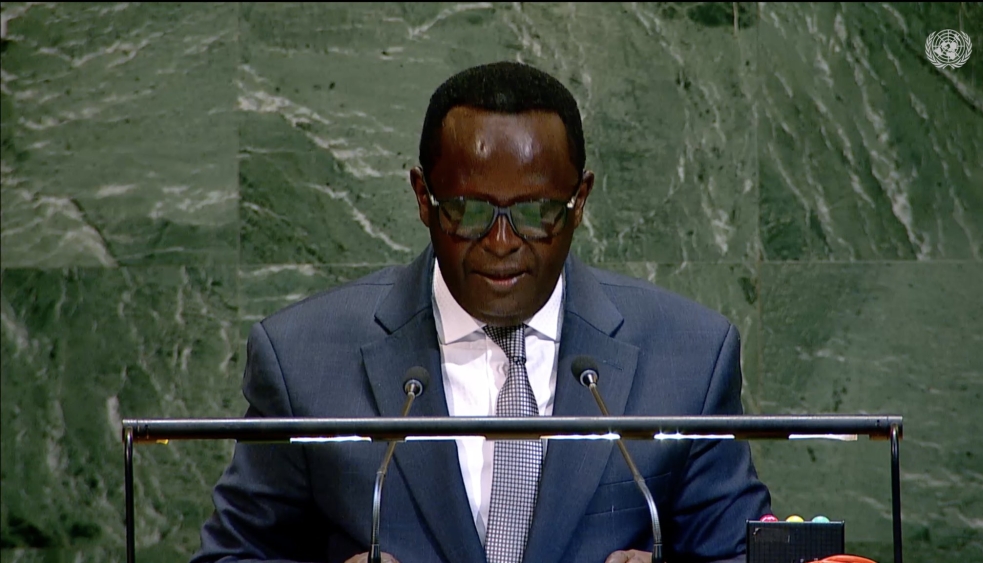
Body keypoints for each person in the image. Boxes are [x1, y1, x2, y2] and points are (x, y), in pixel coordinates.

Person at [192, 61, 770, 563]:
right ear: (423, 198)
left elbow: (737, 555)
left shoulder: (690, 356)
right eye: (468, 212)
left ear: (580, 202)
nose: (500, 241)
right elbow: (230, 557)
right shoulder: (303, 359)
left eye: (536, 212)